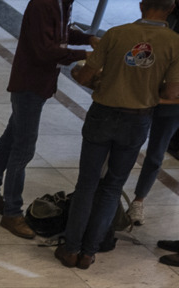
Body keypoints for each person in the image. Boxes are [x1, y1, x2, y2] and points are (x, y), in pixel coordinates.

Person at [58, 0, 179, 269]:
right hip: (137, 120)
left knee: (87, 185)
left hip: (103, 114)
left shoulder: (116, 33)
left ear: (141, 5)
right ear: (170, 10)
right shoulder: (175, 43)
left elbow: (84, 75)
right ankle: (89, 252)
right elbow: (171, 94)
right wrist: (144, 88)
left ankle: (71, 249)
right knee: (112, 188)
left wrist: (104, 79)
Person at [0, 0, 91, 240]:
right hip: (29, 84)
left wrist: (88, 39)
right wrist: (85, 54)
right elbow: (45, 50)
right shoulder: (44, 4)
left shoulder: (62, 4)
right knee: (23, 149)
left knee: (11, 138)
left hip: (40, 83)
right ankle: (12, 212)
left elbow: (60, 34)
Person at [129, 4, 179, 224]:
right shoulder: (166, 16)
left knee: (156, 153)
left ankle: (138, 201)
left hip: (171, 101)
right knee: (127, 145)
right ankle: (108, 195)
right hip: (144, 93)